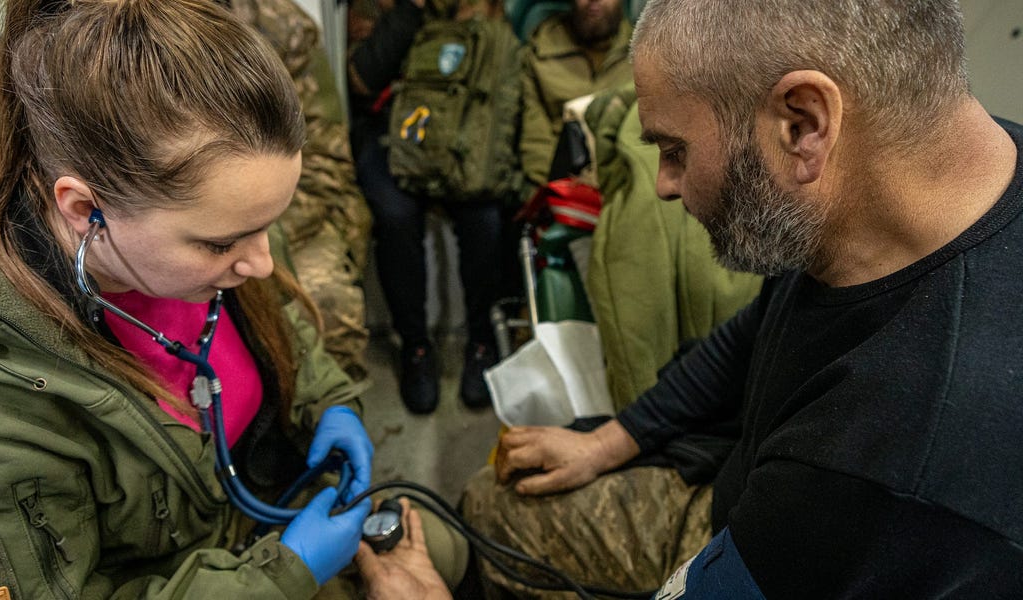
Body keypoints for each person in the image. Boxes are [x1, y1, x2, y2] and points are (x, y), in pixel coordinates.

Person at [362, 0, 1023, 597]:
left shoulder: (883, 467)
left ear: (803, 124)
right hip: (750, 480)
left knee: (483, 515)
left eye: (675, 150)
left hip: (762, 532)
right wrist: (612, 441)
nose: (664, 185)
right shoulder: (892, 195)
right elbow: (756, 330)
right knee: (499, 491)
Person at [0, 1, 378, 597]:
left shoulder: (210, 231)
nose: (262, 263)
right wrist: (282, 575)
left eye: (268, 225)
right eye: (222, 243)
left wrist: (329, 402)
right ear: (87, 210)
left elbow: (282, 327)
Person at [348, 0, 508, 412]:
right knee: (395, 215)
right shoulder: (400, 12)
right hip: (399, 135)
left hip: (466, 139)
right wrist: (411, 9)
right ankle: (416, 346)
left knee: (485, 216)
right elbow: (362, 79)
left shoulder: (497, 20)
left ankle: (481, 340)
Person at [228, 0, 375, 382]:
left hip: (286, 216)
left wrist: (259, 235)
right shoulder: (127, 31)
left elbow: (324, 156)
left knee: (327, 306)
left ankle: (334, 408)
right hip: (171, 222)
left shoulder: (283, 26)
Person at [519, 0, 634, 191]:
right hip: (562, 184)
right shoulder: (539, 54)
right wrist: (554, 193)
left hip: (626, 182)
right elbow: (536, 139)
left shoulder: (644, 51)